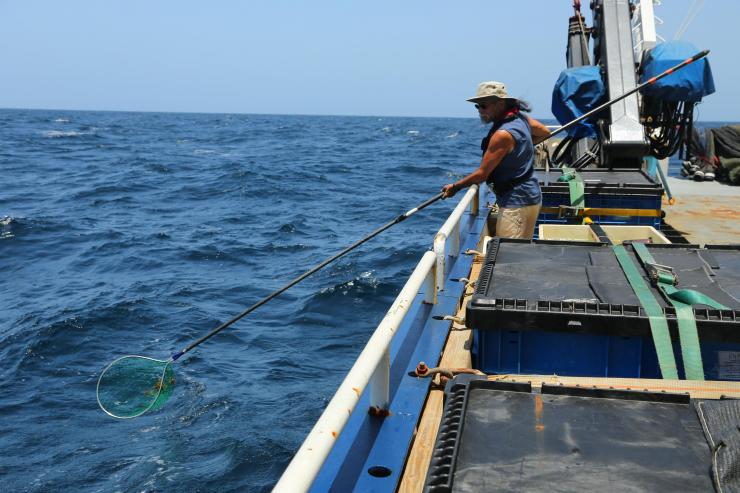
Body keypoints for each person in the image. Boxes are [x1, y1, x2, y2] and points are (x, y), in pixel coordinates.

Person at [442, 81, 551, 239]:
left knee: (508, 255)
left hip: (516, 204)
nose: (480, 110)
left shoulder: (502, 135)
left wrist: (455, 187)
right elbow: (544, 132)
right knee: (522, 251)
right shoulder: (521, 119)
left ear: (500, 104)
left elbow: (482, 174)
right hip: (532, 196)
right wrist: (520, 146)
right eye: (477, 106)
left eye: (483, 105)